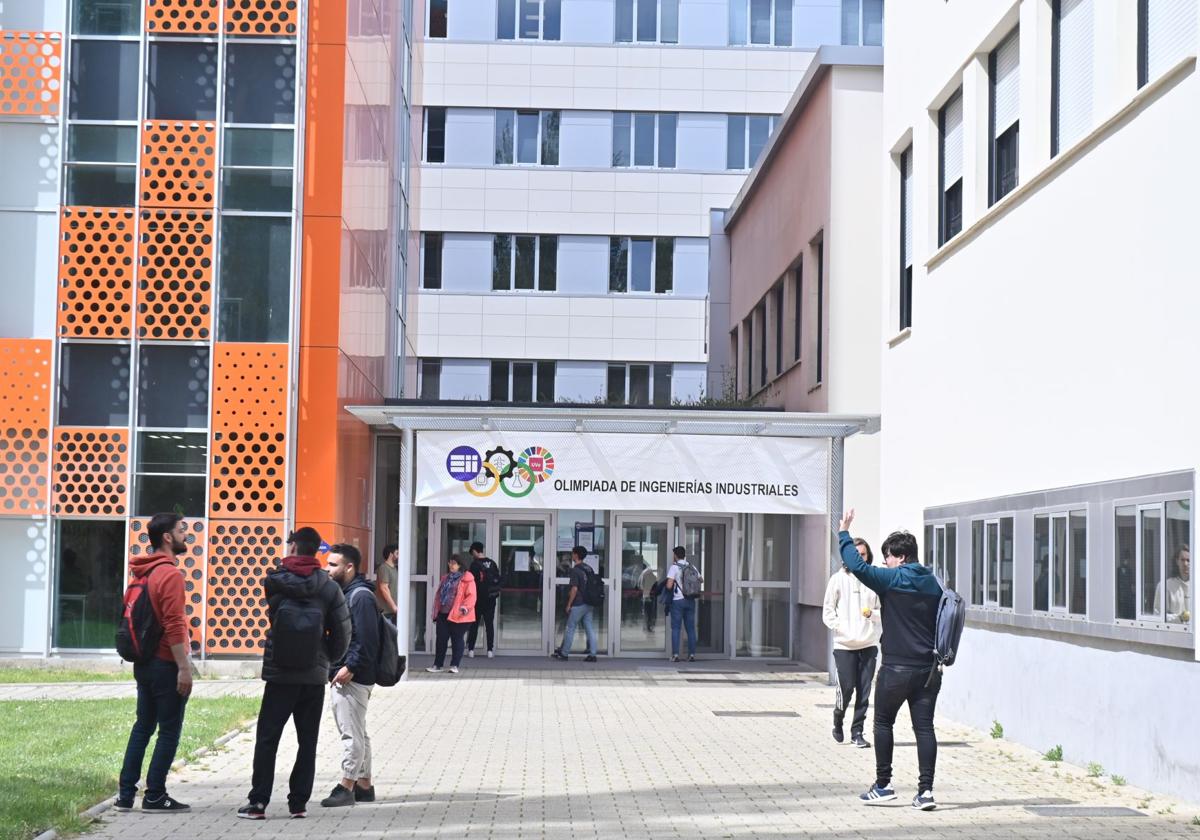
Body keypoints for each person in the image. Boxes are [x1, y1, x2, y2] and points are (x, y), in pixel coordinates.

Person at [239, 527, 350, 820]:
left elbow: (275, 615)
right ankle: (298, 803)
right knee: (307, 740)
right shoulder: (329, 588)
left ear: (292, 547)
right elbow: (342, 632)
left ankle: (258, 803)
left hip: (280, 673)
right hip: (313, 676)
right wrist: (328, 659)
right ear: (316, 551)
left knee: (267, 738)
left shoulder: (274, 582)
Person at [838, 509, 943, 812]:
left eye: (887, 557)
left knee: (883, 722)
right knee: (925, 728)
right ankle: (926, 792)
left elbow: (856, 566)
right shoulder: (933, 583)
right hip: (928, 669)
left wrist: (844, 533)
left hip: (896, 669)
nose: (884, 563)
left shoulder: (893, 579)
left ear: (899, 557)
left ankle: (883, 785)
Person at [116, 513, 194, 813]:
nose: (185, 535)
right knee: (169, 730)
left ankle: (125, 795)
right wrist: (184, 668)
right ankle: (155, 796)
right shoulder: (170, 575)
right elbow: (174, 625)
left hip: (144, 663)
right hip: (165, 663)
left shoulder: (141, 573)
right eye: (181, 530)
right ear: (167, 537)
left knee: (143, 726)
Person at [322, 544, 381, 808]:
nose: (327, 568)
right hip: (351, 672)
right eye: (327, 563)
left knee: (350, 733)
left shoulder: (360, 597)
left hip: (352, 675)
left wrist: (350, 667)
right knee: (358, 730)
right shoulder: (350, 593)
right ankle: (364, 785)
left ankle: (346, 785)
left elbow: (367, 639)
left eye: (333, 564)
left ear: (349, 567)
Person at [822, 537, 882, 749]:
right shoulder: (837, 579)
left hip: (868, 643)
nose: (859, 558)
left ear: (868, 556)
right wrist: (840, 627)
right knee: (846, 688)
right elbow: (827, 610)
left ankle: (857, 731)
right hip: (845, 645)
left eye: (863, 554)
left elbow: (883, 611)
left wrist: (872, 616)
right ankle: (838, 718)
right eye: (855, 554)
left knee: (864, 691)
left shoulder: (873, 579)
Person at [427, 554, 477, 673]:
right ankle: (437, 665)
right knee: (441, 639)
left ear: (460, 565)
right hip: (443, 613)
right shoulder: (445, 578)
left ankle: (454, 665)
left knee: (457, 639)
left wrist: (464, 608)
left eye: (454, 563)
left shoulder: (467, 579)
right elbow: (439, 595)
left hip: (459, 615)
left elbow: (471, 596)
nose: (451, 565)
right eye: (450, 562)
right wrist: (436, 611)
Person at [553, 546, 598, 662]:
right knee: (589, 627)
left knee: (570, 628)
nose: (571, 555)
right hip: (589, 602)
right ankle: (593, 654)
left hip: (578, 603)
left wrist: (569, 604)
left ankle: (564, 653)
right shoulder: (589, 568)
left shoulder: (575, 570)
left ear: (576, 555)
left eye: (572, 553)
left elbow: (574, 589)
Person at [665, 546, 700, 662]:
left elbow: (669, 586)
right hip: (690, 600)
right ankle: (692, 655)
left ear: (675, 555)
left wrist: (675, 581)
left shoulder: (674, 567)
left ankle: (675, 655)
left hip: (678, 601)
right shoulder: (691, 566)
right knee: (690, 629)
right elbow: (701, 579)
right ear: (684, 555)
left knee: (676, 628)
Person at [467, 541, 501, 658]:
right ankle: (490, 650)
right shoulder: (492, 563)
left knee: (474, 625)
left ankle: (471, 649)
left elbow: (470, 583)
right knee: (489, 624)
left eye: (472, 552)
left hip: (477, 600)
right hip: (491, 599)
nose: (472, 555)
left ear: (475, 551)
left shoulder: (474, 565)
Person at [1155, 545, 1191, 624]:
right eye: (1182, 560)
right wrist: (1179, 618)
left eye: (1188, 560)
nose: (1185, 563)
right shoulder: (1164, 586)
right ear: (1177, 561)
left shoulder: (1196, 587)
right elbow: (1158, 615)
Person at [375, 543, 398, 623]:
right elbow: (384, 588)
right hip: (386, 612)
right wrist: (394, 607)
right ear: (391, 554)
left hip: (393, 611)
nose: (399, 556)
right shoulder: (384, 568)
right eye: (397, 553)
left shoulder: (395, 569)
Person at [638, 559, 658, 632]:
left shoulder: (643, 575)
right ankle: (649, 626)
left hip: (646, 596)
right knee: (650, 612)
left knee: (646, 611)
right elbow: (655, 586)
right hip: (651, 596)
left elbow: (640, 586)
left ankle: (646, 626)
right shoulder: (652, 576)